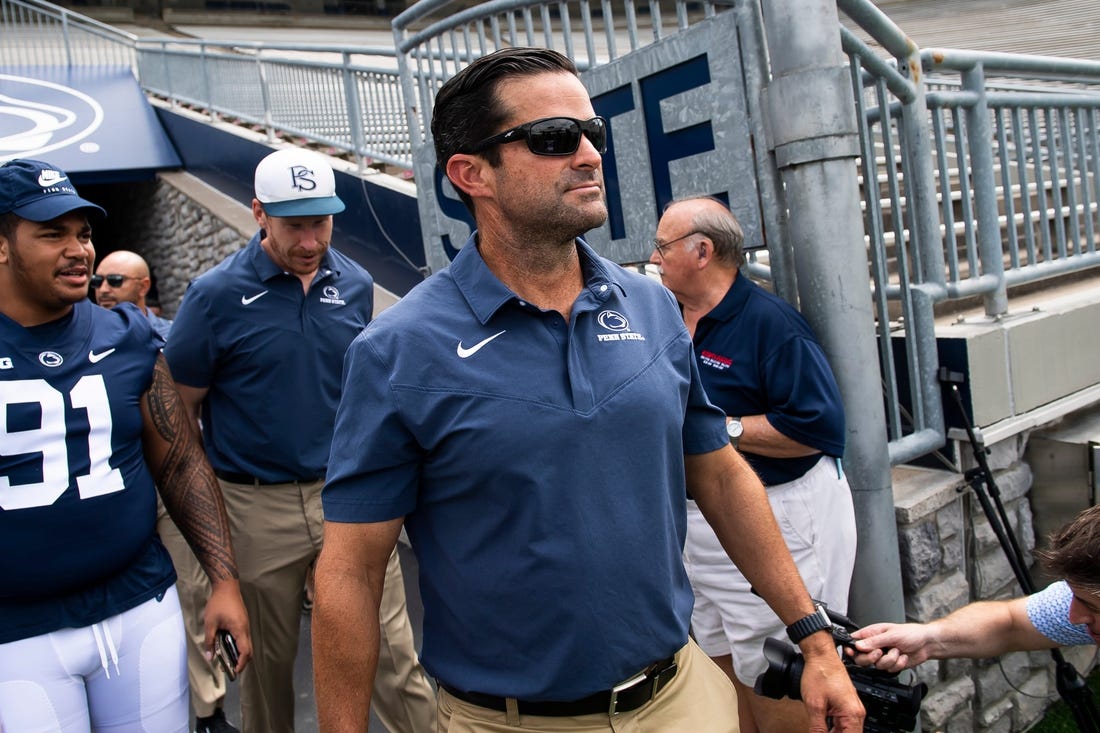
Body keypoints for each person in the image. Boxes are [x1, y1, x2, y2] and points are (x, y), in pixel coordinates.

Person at [313, 46, 864, 733]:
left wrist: (814, 637)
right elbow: (352, 573)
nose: (587, 153)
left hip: (682, 699)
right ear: (470, 173)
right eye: (552, 138)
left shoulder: (652, 306)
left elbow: (719, 475)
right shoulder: (398, 352)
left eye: (591, 134)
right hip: (511, 722)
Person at [164, 147, 437, 733]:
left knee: (394, 656)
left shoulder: (356, 284)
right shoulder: (214, 298)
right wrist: (208, 525)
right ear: (260, 214)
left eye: (321, 220)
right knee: (267, 670)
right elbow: (180, 413)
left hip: (349, 500)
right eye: (295, 224)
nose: (312, 239)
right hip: (256, 507)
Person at [0, 159, 251, 731]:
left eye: (83, 233)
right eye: (51, 233)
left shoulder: (128, 336)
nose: (78, 251)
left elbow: (181, 460)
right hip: (17, 630)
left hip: (138, 602)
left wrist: (224, 581)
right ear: (2, 246)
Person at [650, 197, 858, 733]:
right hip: (700, 524)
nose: (653, 257)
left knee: (776, 669)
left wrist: (720, 430)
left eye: (663, 245)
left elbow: (817, 429)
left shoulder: (772, 324)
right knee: (718, 667)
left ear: (703, 251)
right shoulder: (665, 317)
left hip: (774, 517)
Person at [92, 249, 240, 733]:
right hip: (119, 494)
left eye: (115, 279)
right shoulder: (85, 340)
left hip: (172, 486)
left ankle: (208, 709)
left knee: (193, 596)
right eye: (100, 280)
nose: (104, 287)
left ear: (143, 285)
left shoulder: (172, 338)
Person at [851, 503, 1100, 672]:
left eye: (1090, 606)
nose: (1074, 616)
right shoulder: (1079, 604)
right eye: (1075, 597)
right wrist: (928, 639)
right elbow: (1009, 623)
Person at [93, 250, 173, 339]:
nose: (103, 289)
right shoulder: (83, 338)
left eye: (115, 281)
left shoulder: (172, 337)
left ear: (143, 287)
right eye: (97, 281)